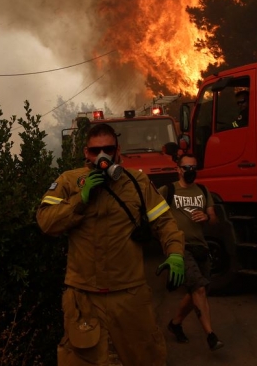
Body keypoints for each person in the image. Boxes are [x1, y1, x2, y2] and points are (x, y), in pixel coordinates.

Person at [37, 122, 186, 366]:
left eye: (108, 149)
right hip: (84, 297)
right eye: (95, 151)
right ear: (86, 153)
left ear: (118, 150)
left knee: (146, 356)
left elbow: (164, 222)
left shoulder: (137, 182)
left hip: (129, 294)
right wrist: (80, 199)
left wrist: (175, 252)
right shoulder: (69, 181)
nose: (102, 156)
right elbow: (46, 222)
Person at [158, 154, 224, 352]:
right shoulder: (168, 190)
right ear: (178, 169)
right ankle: (211, 335)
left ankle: (175, 323)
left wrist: (206, 217)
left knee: (197, 290)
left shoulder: (203, 190)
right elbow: (152, 212)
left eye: (193, 167)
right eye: (186, 167)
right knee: (199, 289)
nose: (190, 171)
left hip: (200, 246)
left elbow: (214, 219)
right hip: (179, 246)